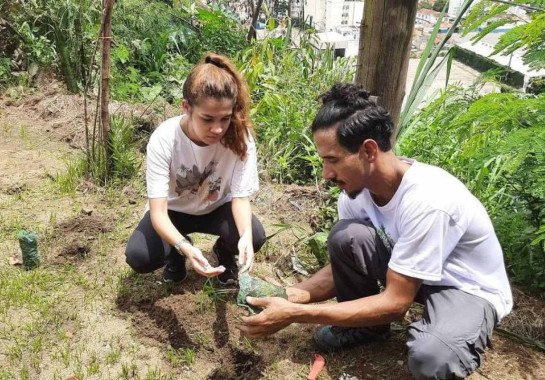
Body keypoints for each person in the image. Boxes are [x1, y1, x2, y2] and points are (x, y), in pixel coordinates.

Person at [237, 83, 513, 379]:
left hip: (464, 288)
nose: (326, 174)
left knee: (431, 358)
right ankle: (366, 327)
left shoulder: (429, 201)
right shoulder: (357, 193)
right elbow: (342, 264)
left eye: (333, 160)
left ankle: (447, 331)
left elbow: (396, 303)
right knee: (346, 235)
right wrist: (294, 295)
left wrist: (298, 315)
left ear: (368, 150)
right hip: (412, 273)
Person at [125, 53, 266, 286]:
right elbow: (158, 212)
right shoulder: (165, 139)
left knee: (255, 234)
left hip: (217, 208)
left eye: (225, 118)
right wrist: (185, 248)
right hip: (174, 211)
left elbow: (240, 198)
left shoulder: (240, 139)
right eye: (207, 119)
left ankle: (223, 251)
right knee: (139, 256)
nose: (218, 129)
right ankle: (176, 253)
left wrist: (246, 237)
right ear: (186, 108)